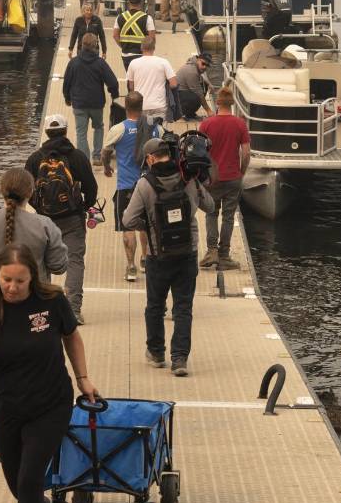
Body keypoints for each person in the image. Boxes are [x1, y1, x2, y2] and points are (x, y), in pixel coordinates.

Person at [0, 243, 97, 503]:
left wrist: (83, 378)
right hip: (5, 407)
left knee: (29, 479)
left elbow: (71, 337)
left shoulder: (52, 301)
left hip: (50, 403)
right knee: (17, 485)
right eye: (6, 279)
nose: (12, 287)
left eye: (20, 281)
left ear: (32, 277)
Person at [122, 138, 214, 376]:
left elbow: (128, 220)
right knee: (183, 307)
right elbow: (211, 207)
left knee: (155, 306)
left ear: (150, 158)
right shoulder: (189, 178)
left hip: (158, 254)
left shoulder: (145, 184)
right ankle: (180, 359)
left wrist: (151, 225)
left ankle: (156, 353)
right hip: (187, 252)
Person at [25, 115, 98, 323]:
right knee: (75, 261)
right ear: (66, 131)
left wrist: (39, 208)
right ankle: (74, 310)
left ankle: (44, 309)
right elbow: (91, 187)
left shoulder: (35, 159)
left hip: (43, 220)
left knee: (41, 261)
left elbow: (26, 190)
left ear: (47, 133)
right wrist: (83, 207)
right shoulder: (77, 157)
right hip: (72, 218)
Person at [0, 168, 69, 292]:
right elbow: (58, 266)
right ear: (30, 192)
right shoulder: (45, 225)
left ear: (1, 191)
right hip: (35, 298)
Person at [101, 91, 161, 281]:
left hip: (126, 185)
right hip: (149, 184)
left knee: (128, 226)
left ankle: (131, 267)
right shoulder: (155, 128)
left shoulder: (119, 129)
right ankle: (145, 259)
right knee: (146, 224)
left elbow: (105, 152)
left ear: (126, 107)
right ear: (142, 106)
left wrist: (106, 167)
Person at [198, 88, 250, 270]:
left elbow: (200, 153)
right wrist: (241, 171)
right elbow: (246, 152)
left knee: (211, 213)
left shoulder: (206, 124)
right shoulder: (240, 124)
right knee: (228, 217)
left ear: (217, 103)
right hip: (233, 177)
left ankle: (211, 251)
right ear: (232, 103)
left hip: (212, 178)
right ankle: (224, 255)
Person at [63, 33, 119, 163]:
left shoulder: (73, 63)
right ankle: (97, 156)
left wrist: (67, 98)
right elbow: (113, 82)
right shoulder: (100, 63)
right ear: (96, 46)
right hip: (96, 103)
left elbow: (66, 83)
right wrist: (114, 94)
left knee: (81, 132)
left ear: (81, 45)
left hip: (79, 103)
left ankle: (84, 159)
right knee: (98, 127)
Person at [126, 37, 177, 124]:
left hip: (141, 105)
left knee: (142, 130)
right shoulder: (163, 62)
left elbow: (131, 87)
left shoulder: (133, 63)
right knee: (158, 130)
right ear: (154, 48)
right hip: (159, 105)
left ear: (141, 48)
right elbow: (174, 84)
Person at [114, 0, 156, 72]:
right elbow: (152, 38)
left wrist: (123, 46)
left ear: (129, 3)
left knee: (129, 77)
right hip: (142, 55)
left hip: (126, 54)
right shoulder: (147, 18)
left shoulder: (120, 17)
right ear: (141, 3)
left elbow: (115, 35)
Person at [174, 52, 212, 120]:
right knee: (197, 97)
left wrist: (209, 83)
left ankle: (190, 113)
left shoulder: (194, 65)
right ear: (198, 60)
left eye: (207, 65)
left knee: (204, 86)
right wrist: (209, 111)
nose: (204, 67)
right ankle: (180, 113)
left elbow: (199, 77)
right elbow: (199, 93)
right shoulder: (191, 71)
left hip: (180, 93)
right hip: (177, 97)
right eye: (203, 64)